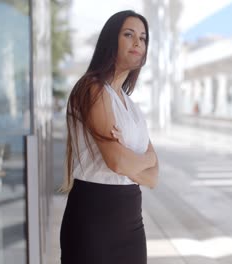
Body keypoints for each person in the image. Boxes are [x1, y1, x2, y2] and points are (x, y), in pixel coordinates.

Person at [59, 10, 158, 264]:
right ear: (111, 40)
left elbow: (153, 176)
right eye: (129, 34)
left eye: (143, 38)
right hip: (93, 220)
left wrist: (135, 158)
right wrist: (143, 158)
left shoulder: (130, 105)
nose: (138, 42)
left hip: (132, 222)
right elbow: (117, 162)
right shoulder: (92, 88)